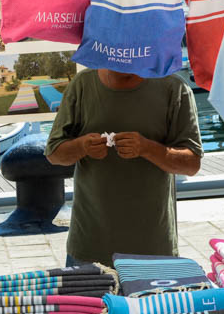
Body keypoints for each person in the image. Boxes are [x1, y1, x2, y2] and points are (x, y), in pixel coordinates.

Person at [45, 68, 202, 266]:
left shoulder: (174, 87)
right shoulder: (82, 84)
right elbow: (53, 154)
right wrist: (82, 146)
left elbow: (192, 165)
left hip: (153, 249)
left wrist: (147, 148)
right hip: (89, 248)